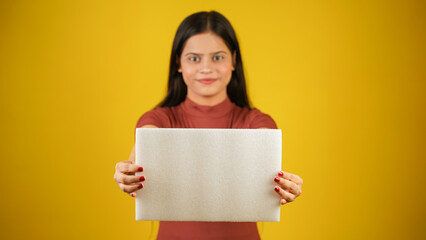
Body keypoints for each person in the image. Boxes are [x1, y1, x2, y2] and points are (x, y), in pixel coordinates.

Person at [114, 11, 303, 240]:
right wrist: (128, 174)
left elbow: (266, 150)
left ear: (234, 60)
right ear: (179, 63)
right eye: (194, 58)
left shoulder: (256, 122)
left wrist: (285, 186)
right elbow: (144, 145)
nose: (206, 68)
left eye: (218, 57)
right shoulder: (158, 120)